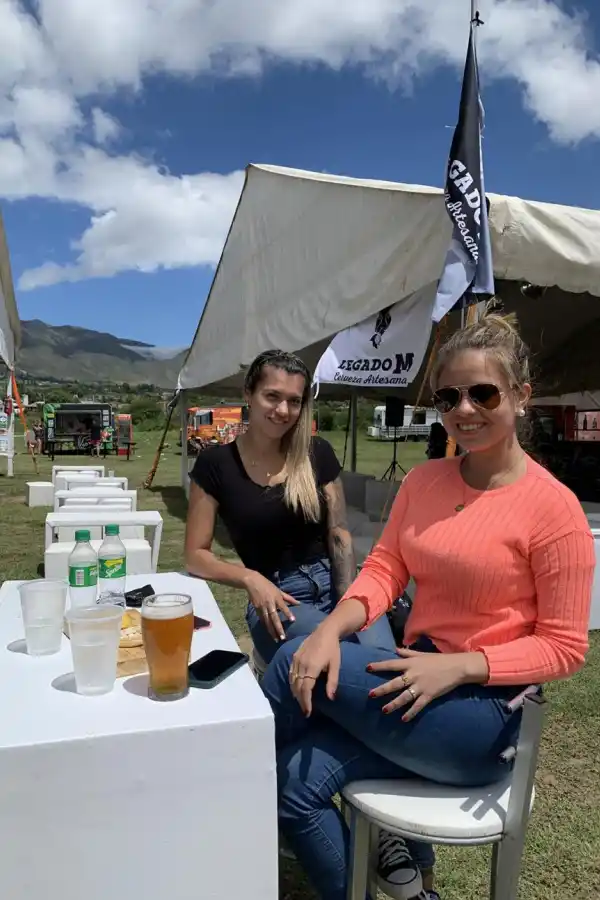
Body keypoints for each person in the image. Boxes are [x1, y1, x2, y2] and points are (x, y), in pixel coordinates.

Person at [261, 314, 595, 900]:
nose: (464, 409)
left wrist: (462, 666)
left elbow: (565, 646)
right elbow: (385, 570)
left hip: (482, 717)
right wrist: (330, 629)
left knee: (291, 668)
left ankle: (220, 784)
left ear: (521, 396)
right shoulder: (425, 481)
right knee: (293, 787)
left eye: (483, 393)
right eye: (448, 396)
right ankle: (410, 891)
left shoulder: (554, 509)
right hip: (411, 684)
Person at [184, 349, 396, 667]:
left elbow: (338, 534)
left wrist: (347, 600)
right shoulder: (216, 465)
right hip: (278, 597)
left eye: (294, 401)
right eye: (272, 396)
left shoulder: (316, 452)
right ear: (249, 394)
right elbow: (195, 555)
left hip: (338, 581)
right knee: (352, 664)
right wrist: (250, 579)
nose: (283, 410)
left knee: (383, 664)